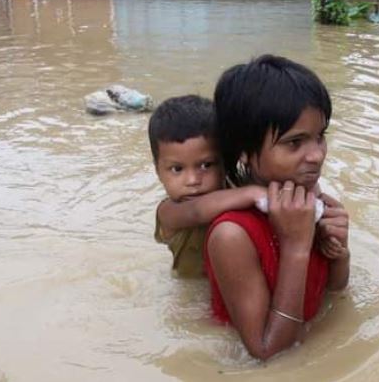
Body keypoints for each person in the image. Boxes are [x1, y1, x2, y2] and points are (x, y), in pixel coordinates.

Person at [206, 55, 350, 360]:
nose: (316, 155)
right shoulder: (232, 235)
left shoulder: (307, 195)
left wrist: (340, 251)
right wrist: (297, 246)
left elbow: (333, 294)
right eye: (295, 143)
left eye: (320, 136)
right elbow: (267, 352)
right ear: (245, 151)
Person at [149, 95, 268, 278]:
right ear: (157, 171)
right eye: (177, 169)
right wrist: (253, 193)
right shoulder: (168, 212)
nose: (192, 180)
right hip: (192, 289)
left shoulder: (236, 188)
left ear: (226, 162)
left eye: (206, 165)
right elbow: (196, 212)